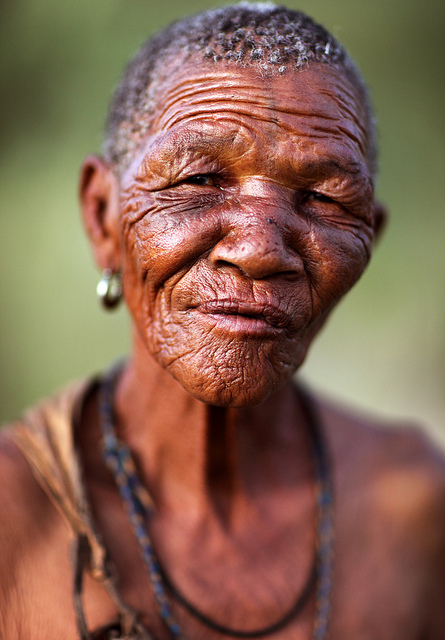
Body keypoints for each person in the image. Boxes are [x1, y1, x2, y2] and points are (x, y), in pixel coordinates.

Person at [0, 3, 444, 639]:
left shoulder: (413, 509)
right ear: (102, 218)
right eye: (201, 178)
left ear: (368, 240)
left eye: (322, 199)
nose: (261, 249)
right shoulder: (12, 521)